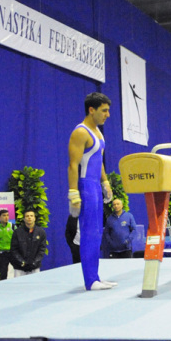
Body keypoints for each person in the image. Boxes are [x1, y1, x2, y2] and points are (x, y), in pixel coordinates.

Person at [68, 92, 117, 291]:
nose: (108, 115)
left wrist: (105, 182)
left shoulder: (99, 133)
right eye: (104, 110)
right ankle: (90, 281)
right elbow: (73, 165)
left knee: (97, 233)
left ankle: (95, 276)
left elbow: (99, 162)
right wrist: (73, 193)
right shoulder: (80, 132)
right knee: (88, 233)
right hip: (85, 186)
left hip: (96, 186)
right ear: (92, 110)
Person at [9, 209, 47, 277]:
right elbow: (14, 250)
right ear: (24, 219)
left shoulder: (41, 232)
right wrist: (22, 262)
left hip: (35, 267)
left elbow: (42, 249)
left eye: (31, 216)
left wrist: (35, 262)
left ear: (34, 218)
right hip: (19, 268)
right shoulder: (17, 232)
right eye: (27, 216)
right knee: (19, 287)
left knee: (35, 286)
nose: (29, 217)